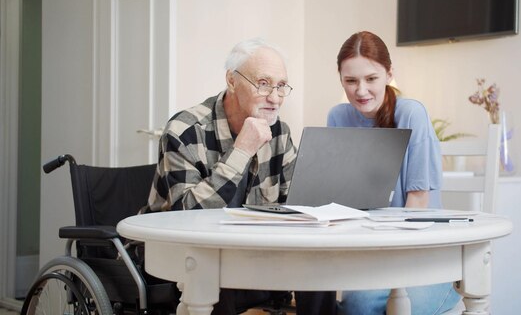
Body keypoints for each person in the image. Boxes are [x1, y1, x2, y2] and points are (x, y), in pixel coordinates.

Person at [141, 37, 336, 315]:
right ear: (232, 81)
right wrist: (241, 149)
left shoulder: (278, 131)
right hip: (182, 257)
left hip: (250, 254)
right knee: (222, 271)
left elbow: (299, 202)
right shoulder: (185, 131)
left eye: (281, 86)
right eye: (264, 83)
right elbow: (186, 216)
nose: (275, 97)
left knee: (320, 269)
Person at [327, 31, 461, 315]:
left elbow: (419, 202)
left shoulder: (411, 114)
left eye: (371, 79)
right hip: (366, 258)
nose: (361, 91)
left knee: (364, 305)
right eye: (351, 81)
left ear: (389, 74)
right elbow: (337, 203)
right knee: (357, 306)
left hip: (420, 258)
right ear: (341, 79)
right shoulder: (337, 117)